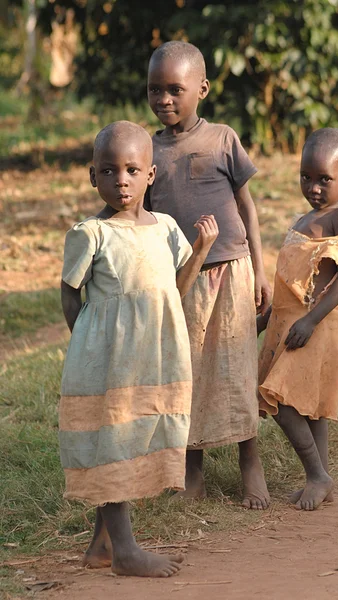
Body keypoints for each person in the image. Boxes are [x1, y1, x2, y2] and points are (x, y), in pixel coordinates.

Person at [59, 120, 218, 577]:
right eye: (108, 171)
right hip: (109, 361)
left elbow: (176, 288)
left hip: (154, 358)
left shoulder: (166, 227)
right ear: (93, 177)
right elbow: (71, 295)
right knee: (113, 444)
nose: (121, 180)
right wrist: (88, 346)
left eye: (132, 170)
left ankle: (101, 546)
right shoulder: (91, 233)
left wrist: (203, 247)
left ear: (151, 175)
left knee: (128, 440)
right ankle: (126, 552)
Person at [146, 41, 271, 510]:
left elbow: (247, 207)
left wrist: (261, 271)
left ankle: (249, 462)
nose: (164, 100)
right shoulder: (148, 149)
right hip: (182, 276)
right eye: (155, 90)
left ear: (201, 88)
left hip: (232, 269)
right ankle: (191, 467)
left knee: (237, 368)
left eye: (175, 90)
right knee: (189, 370)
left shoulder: (222, 138)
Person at [258, 128, 338, 511]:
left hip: (315, 326)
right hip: (290, 324)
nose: (314, 187)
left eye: (325, 179)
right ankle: (320, 478)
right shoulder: (303, 219)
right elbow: (291, 282)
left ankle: (318, 475)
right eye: (306, 177)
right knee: (310, 406)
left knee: (283, 403)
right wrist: (266, 319)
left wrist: (311, 321)